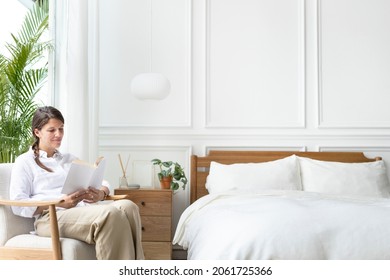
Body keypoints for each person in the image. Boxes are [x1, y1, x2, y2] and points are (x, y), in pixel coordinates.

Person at [9, 106, 144, 260]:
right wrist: (59, 202)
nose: (58, 134)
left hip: (81, 210)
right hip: (50, 218)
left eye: (61, 129)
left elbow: (101, 180)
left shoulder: (69, 159)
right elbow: (18, 204)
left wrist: (101, 192)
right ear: (37, 132)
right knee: (110, 214)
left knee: (129, 207)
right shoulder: (25, 162)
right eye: (52, 130)